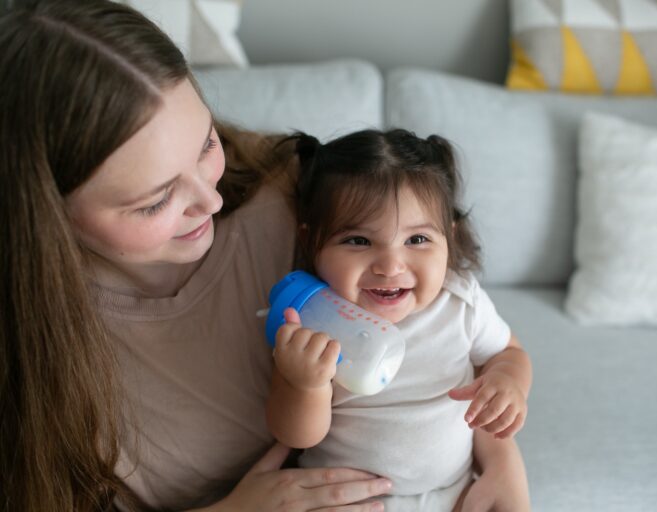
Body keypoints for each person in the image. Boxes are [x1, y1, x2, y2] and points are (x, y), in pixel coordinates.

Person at [0, 1, 530, 511]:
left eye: (206, 145)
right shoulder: (35, 351)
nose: (211, 201)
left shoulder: (289, 191)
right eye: (155, 200)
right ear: (41, 213)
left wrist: (500, 457)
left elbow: (449, 339)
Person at [266, 129, 533, 510]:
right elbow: (295, 436)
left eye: (417, 240)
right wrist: (305, 385)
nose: (390, 266)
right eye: (358, 241)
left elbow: (508, 352)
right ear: (311, 242)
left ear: (449, 238)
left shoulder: (461, 302)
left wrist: (508, 381)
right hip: (350, 500)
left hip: (453, 492)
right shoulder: (312, 321)